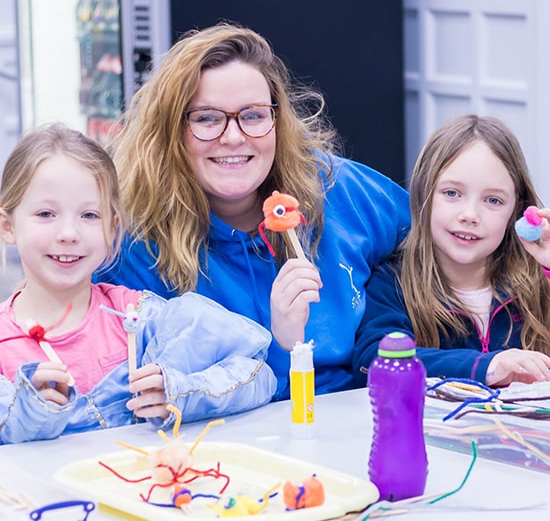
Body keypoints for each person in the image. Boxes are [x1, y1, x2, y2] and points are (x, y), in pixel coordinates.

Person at [93, 22, 411, 400]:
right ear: (170, 131)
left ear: (277, 121)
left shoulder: (340, 190)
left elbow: (439, 246)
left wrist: (384, 309)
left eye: (254, 115)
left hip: (358, 422)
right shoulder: (132, 246)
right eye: (207, 118)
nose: (233, 136)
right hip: (213, 440)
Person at [0, 123, 276, 445]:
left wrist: (179, 392)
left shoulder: (140, 319)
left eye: (89, 215)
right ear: (8, 226)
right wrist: (26, 413)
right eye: (46, 214)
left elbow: (258, 375)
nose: (68, 233)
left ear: (113, 227)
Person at [353, 114, 550, 388]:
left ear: (517, 210)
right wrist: (487, 366)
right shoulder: (393, 283)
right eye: (452, 193)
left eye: (493, 200)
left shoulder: (537, 281)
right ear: (424, 194)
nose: (469, 215)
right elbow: (373, 362)